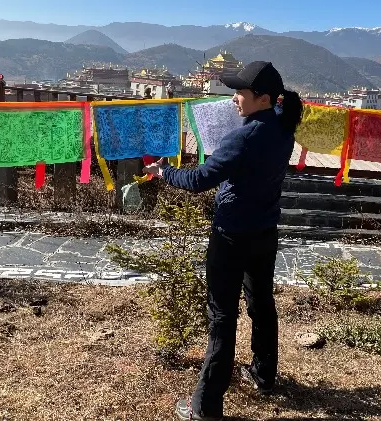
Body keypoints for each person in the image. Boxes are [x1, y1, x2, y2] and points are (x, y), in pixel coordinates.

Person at [142, 61, 303, 421]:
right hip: (264, 233)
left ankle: (205, 405)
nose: (233, 99)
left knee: (222, 315)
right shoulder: (283, 126)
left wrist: (165, 171)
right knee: (261, 303)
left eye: (239, 93)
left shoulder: (244, 137)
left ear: (262, 98)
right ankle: (264, 374)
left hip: (231, 237)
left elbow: (200, 179)